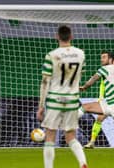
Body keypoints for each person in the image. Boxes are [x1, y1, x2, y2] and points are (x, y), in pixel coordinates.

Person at [37, 25, 88, 168]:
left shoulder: (52, 55)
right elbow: (80, 74)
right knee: (71, 136)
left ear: (57, 37)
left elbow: (45, 81)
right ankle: (82, 162)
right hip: (72, 99)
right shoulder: (81, 54)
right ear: (71, 36)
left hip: (55, 99)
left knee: (50, 136)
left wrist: (41, 106)